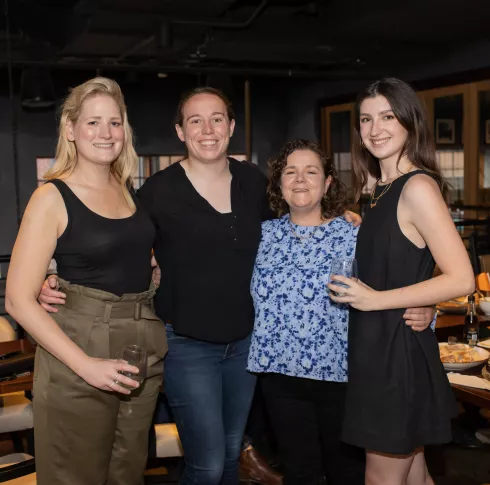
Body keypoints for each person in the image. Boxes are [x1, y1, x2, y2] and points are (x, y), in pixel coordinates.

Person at [6, 77, 167, 485]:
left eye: (114, 123)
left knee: (127, 474)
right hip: (78, 351)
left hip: (139, 346)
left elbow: (124, 254)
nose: (105, 133)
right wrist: (86, 366)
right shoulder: (51, 197)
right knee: (75, 476)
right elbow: (18, 301)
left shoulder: (126, 189)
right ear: (70, 130)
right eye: (93, 122)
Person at [247, 139, 436, 485]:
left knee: (346, 473)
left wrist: (427, 307)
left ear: (328, 183)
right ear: (278, 183)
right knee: (299, 473)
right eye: (290, 171)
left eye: (311, 171)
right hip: (279, 377)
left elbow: (398, 279)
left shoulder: (354, 234)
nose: (300, 179)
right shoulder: (261, 236)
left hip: (342, 374)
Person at [328, 78, 475, 485]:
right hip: (381, 344)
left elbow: (461, 276)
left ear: (409, 121)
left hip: (395, 352)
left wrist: (376, 300)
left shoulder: (418, 187)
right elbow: (405, 257)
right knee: (414, 475)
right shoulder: (376, 189)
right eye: (365, 119)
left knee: (382, 477)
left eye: (387, 117)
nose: (375, 129)